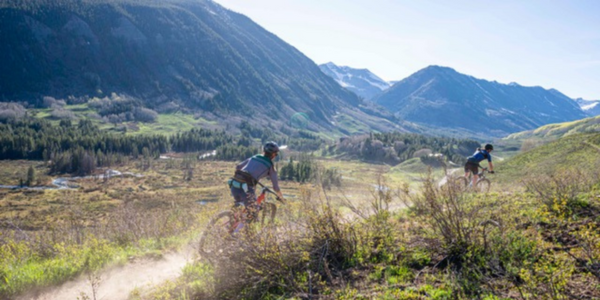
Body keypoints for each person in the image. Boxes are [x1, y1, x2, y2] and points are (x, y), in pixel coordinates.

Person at [228, 141, 285, 209]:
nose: (276, 155)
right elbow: (276, 187)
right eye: (276, 154)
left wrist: (249, 175)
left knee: (241, 209)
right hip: (246, 189)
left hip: (234, 185)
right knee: (254, 211)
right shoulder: (270, 166)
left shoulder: (255, 156)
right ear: (273, 154)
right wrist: (281, 198)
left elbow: (238, 167)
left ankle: (232, 217)